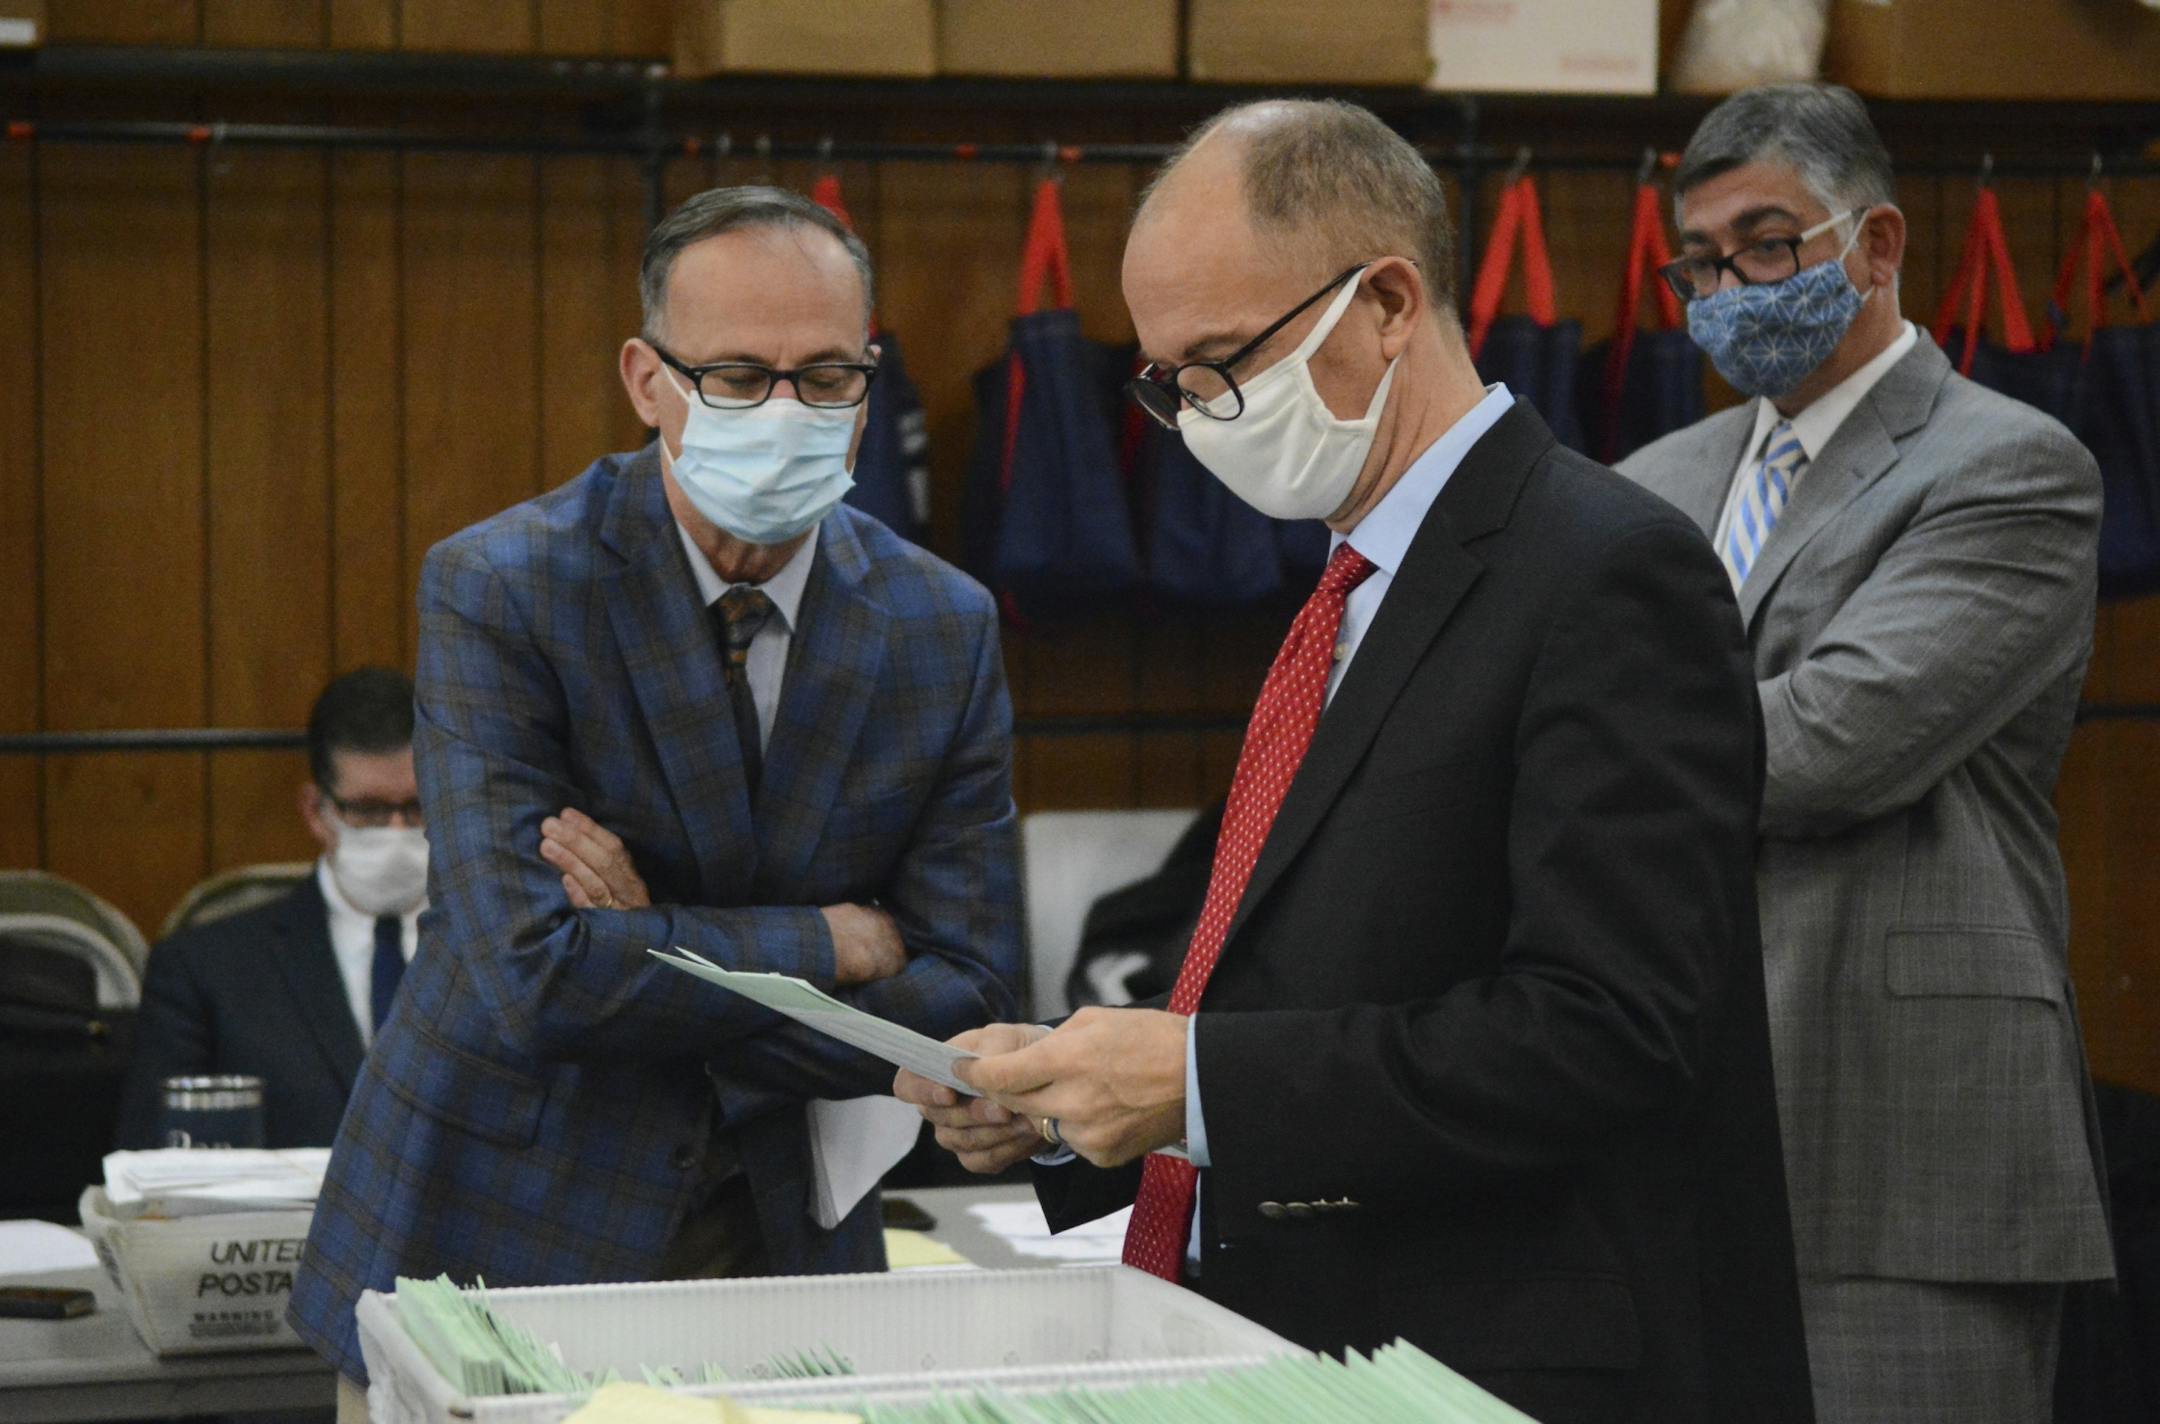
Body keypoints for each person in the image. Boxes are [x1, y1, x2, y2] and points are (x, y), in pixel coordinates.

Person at [898, 99, 1812, 1424]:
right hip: (1306, 1337)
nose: (1199, 416)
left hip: (1496, 1359)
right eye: (1166, 383)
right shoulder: (1353, 584)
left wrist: (1195, 1083)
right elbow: (1305, 968)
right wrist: (1074, 1091)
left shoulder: (1606, 570)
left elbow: (1607, 1030)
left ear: (1386, 302)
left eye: (1223, 361)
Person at [287, 186, 1023, 1407]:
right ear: (647, 378)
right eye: (736, 376)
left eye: (827, 376)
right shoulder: (505, 586)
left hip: (783, 1242)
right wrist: (832, 939)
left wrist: (646, 937)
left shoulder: (941, 623)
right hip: (493, 1230)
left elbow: (970, 980)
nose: (787, 411)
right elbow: (534, 975)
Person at [1615, 84, 2113, 1423]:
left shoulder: (2010, 466)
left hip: (1898, 1142)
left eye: (1767, 244)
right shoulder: (1653, 479)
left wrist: (1580, 772)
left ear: (1876, 246)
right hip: (1657, 1120)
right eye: (1701, 263)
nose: (1728, 289)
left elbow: (1828, 743)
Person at [116, 667, 424, 1150]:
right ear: (315, 811)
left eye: (418, 807)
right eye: (367, 810)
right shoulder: (205, 970)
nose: (397, 830)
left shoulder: (510, 951)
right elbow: (149, 1166)